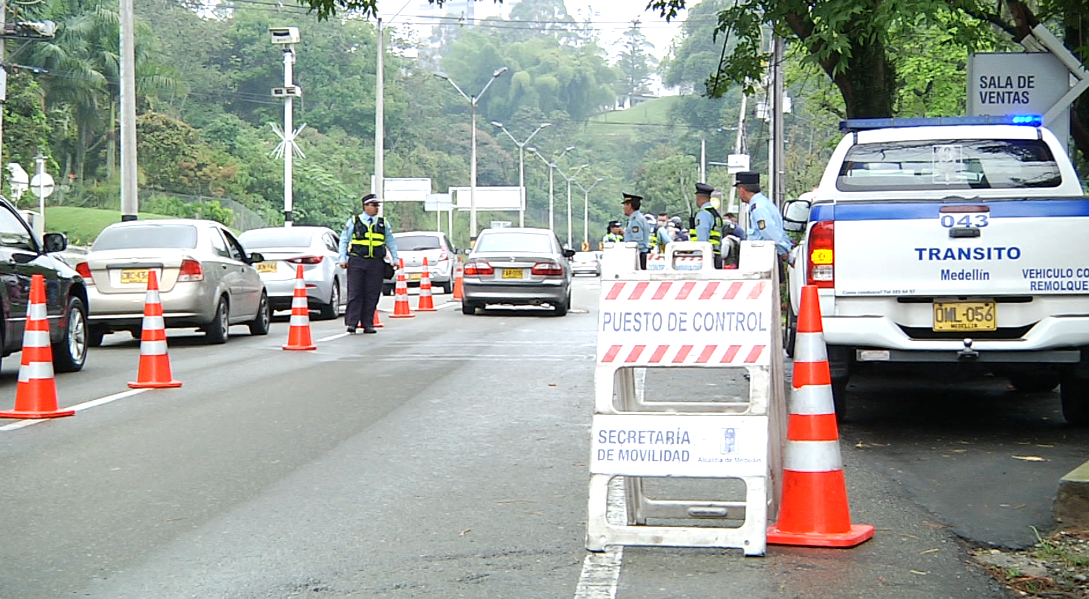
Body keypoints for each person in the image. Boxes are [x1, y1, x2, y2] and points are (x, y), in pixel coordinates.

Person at [338, 194, 400, 334]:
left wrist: (395, 259)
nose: (376, 208)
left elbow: (390, 242)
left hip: (376, 262)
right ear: (365, 206)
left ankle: (368, 323)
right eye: (374, 205)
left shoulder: (383, 223)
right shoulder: (354, 221)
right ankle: (352, 323)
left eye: (378, 205)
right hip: (357, 260)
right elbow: (344, 240)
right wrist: (342, 258)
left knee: (372, 293)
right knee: (355, 292)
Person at [735, 171, 792, 261]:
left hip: (764, 256)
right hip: (769, 255)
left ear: (742, 190)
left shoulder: (758, 208)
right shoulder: (765, 203)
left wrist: (782, 252)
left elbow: (768, 231)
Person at [688, 182, 725, 268]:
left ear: (698, 198)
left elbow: (702, 240)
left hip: (705, 257)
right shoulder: (715, 214)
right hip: (716, 254)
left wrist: (698, 256)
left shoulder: (703, 214)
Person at [621, 192, 650, 269]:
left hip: (638, 255)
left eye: (625, 205)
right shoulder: (638, 218)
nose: (623, 208)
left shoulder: (636, 220)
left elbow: (636, 241)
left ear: (629, 205)